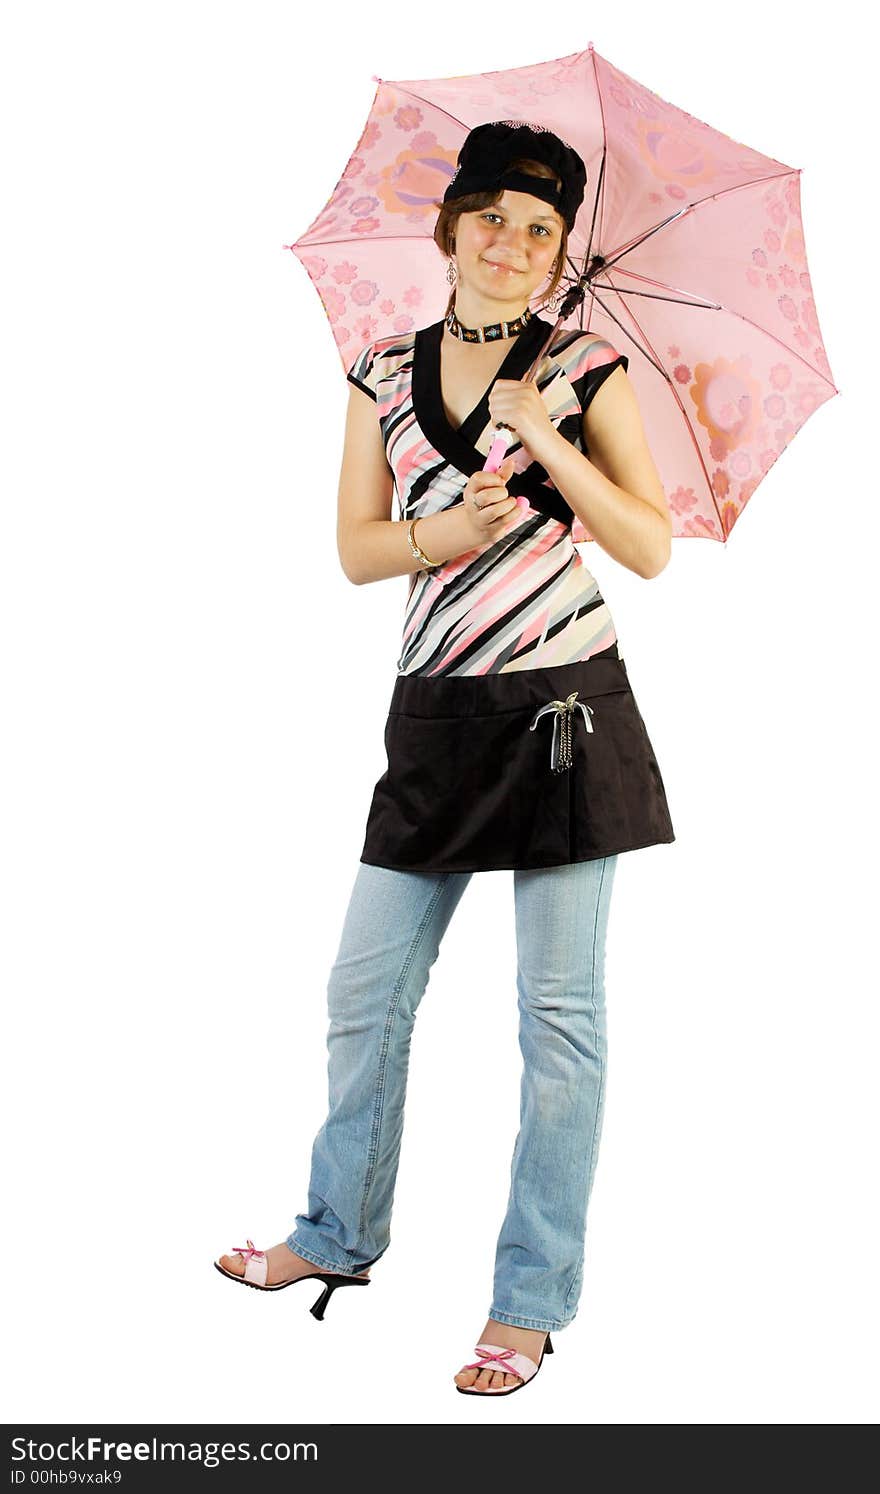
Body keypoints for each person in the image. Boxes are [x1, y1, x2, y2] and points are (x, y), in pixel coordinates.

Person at [215, 121, 675, 1397]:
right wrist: (439, 531)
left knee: (558, 1023)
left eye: (541, 231)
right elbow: (355, 552)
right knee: (365, 993)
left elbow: (648, 546)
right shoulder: (376, 368)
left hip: (563, 718)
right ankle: (335, 1237)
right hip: (432, 712)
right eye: (494, 221)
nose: (516, 247)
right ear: (452, 226)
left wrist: (553, 434)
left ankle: (527, 1305)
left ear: (558, 250)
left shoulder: (585, 364)